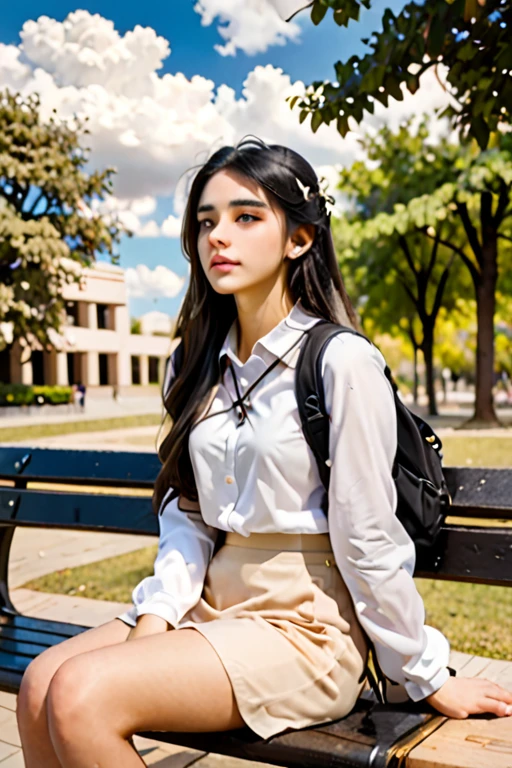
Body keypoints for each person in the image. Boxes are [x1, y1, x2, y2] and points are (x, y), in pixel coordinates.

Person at [16, 137, 512, 768]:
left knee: (80, 697)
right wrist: (157, 616)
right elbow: (189, 514)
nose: (218, 236)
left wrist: (426, 674)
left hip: (305, 629)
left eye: (246, 217)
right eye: (206, 221)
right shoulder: (193, 364)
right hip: (211, 602)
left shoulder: (340, 361)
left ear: (299, 239)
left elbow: (367, 535)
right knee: (40, 686)